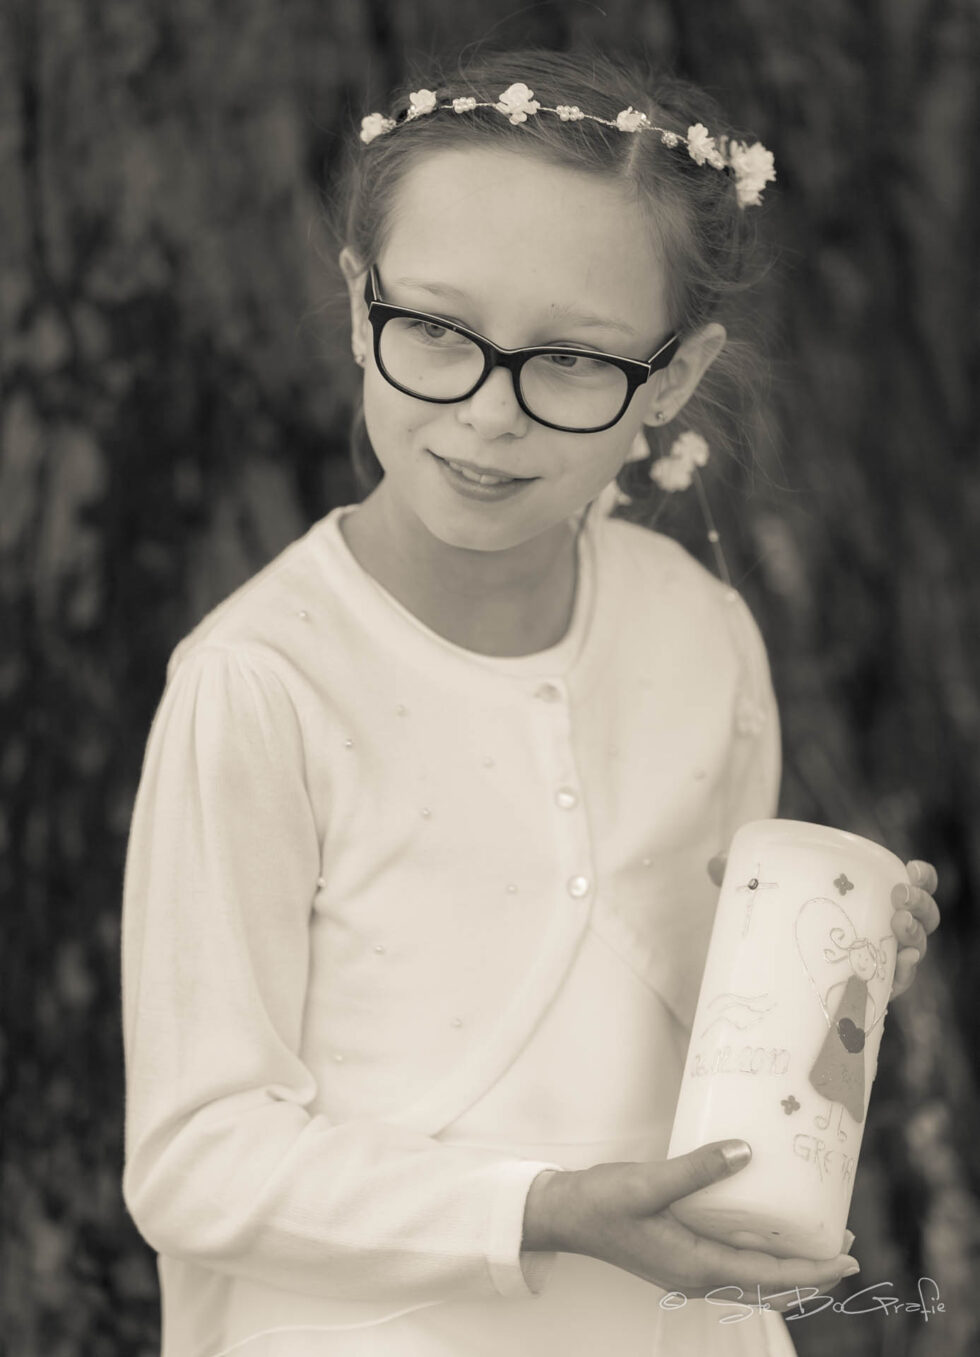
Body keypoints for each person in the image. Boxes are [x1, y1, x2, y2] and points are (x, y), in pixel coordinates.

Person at [120, 48, 941, 1357]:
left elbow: (708, 1043)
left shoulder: (701, 634)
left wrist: (825, 985)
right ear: (356, 305)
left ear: (669, 378)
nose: (490, 414)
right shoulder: (261, 683)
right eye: (437, 331)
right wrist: (544, 1210)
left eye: (571, 358)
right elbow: (195, 1159)